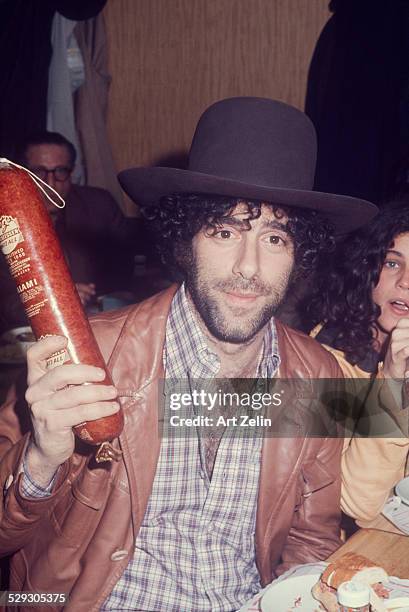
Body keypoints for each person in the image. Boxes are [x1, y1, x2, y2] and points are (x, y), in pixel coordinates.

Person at [0, 98, 377, 611]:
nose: (249, 267)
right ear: (186, 239)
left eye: (275, 237)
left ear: (299, 255)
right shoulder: (85, 354)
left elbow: (310, 541)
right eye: (224, 232)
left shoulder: (315, 372)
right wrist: (41, 460)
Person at [309, 204, 409, 528]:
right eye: (393, 262)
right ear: (366, 272)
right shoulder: (324, 360)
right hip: (349, 545)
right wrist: (392, 383)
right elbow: (359, 504)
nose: (406, 281)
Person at [0, 131, 136, 331]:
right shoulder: (5, 218)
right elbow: (4, 303)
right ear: (21, 173)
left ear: (71, 173)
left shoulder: (99, 205)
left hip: (100, 325)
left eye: (60, 172)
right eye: (38, 173)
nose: (50, 183)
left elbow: (128, 271)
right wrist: (53, 299)